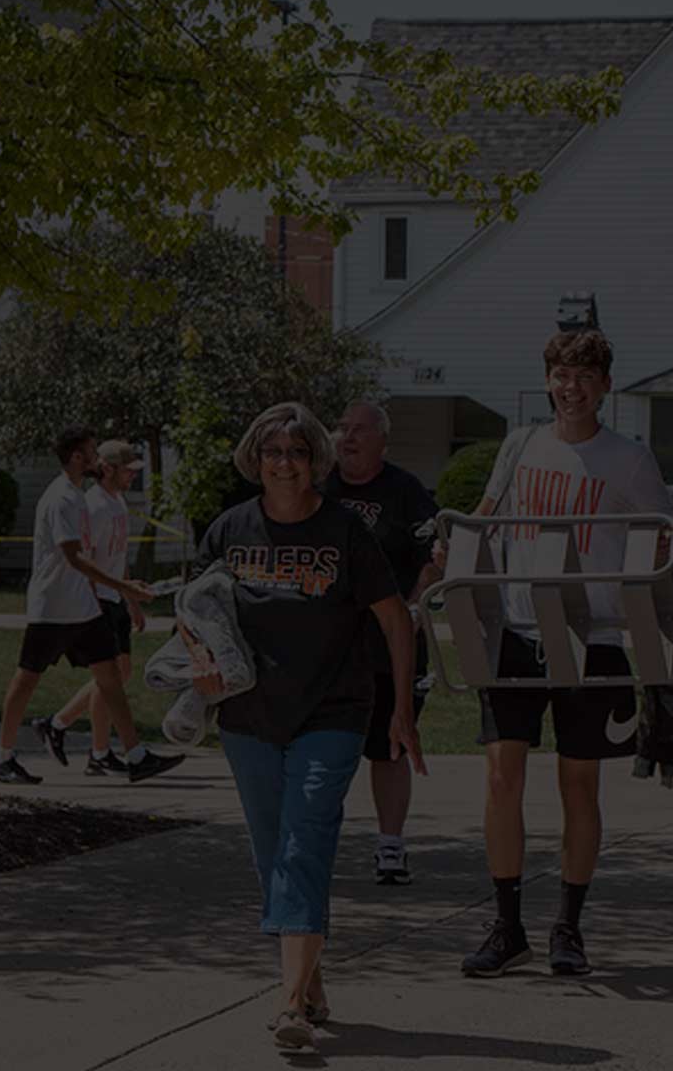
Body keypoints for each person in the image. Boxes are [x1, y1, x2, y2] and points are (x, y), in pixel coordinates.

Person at [190, 401, 424, 1053]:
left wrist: (402, 709)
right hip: (248, 716)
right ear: (256, 459)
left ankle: (289, 1001)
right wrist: (199, 660)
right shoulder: (231, 528)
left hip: (333, 712)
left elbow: (396, 620)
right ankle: (312, 979)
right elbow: (195, 609)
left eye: (296, 452)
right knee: (273, 853)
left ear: (315, 458)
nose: (285, 463)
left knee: (304, 843)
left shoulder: (345, 530)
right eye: (273, 452)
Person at [454, 328, 673, 979]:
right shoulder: (521, 444)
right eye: (560, 374)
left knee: (578, 784)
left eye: (583, 376)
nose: (570, 387)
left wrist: (651, 562)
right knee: (502, 777)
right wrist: (455, 549)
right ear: (547, 379)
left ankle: (568, 928)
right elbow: (486, 513)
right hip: (517, 631)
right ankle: (507, 926)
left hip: (594, 636)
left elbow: (668, 533)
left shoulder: (628, 459)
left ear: (604, 385)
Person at [0, 425, 181, 786]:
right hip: (53, 606)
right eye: (92, 452)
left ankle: (136, 756)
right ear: (78, 457)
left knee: (112, 678)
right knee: (27, 679)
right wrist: (124, 587)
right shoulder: (61, 498)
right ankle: (2, 757)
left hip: (83, 607)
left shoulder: (77, 495)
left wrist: (125, 595)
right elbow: (75, 557)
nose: (97, 458)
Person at [325, 400, 441, 885]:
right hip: (327, 647)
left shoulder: (405, 491)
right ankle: (313, 843)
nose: (347, 437)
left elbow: (434, 558)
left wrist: (415, 609)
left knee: (390, 744)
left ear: (383, 442)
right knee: (323, 746)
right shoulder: (317, 485)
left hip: (390, 645)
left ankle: (390, 846)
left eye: (360, 430)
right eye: (342, 428)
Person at [34, 440, 151, 775]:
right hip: (98, 599)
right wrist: (91, 603)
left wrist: (131, 602)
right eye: (128, 470)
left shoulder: (117, 502)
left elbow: (118, 557)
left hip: (115, 598)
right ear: (109, 469)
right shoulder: (93, 506)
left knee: (118, 675)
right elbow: (84, 560)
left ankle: (61, 727)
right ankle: (96, 751)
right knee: (110, 678)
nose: (132, 476)